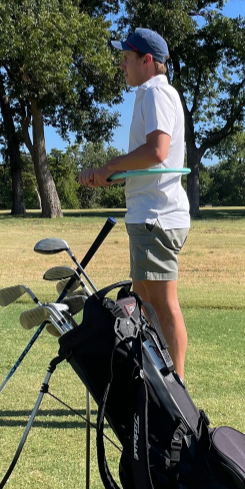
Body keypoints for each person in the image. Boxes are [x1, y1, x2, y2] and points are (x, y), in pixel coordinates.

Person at [78, 27, 191, 378]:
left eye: (127, 59)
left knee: (162, 305)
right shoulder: (152, 94)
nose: (122, 65)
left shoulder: (156, 91)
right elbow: (149, 159)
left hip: (156, 218)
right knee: (144, 306)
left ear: (147, 61)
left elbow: (157, 151)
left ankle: (177, 395)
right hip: (149, 216)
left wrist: (111, 165)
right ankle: (156, 386)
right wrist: (108, 172)